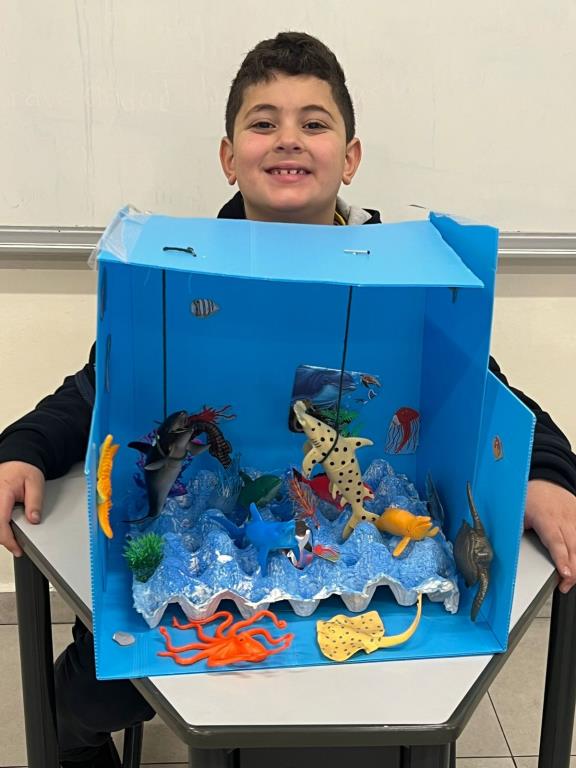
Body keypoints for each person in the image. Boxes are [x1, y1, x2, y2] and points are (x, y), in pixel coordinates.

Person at [0, 31, 575, 768]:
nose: (288, 140)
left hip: (351, 589)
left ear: (351, 156)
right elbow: (93, 388)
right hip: (198, 582)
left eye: (314, 122)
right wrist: (23, 448)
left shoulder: (403, 276)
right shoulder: (176, 277)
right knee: (72, 708)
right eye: (263, 122)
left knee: (405, 707)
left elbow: (486, 389)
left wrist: (546, 472)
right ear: (228, 155)